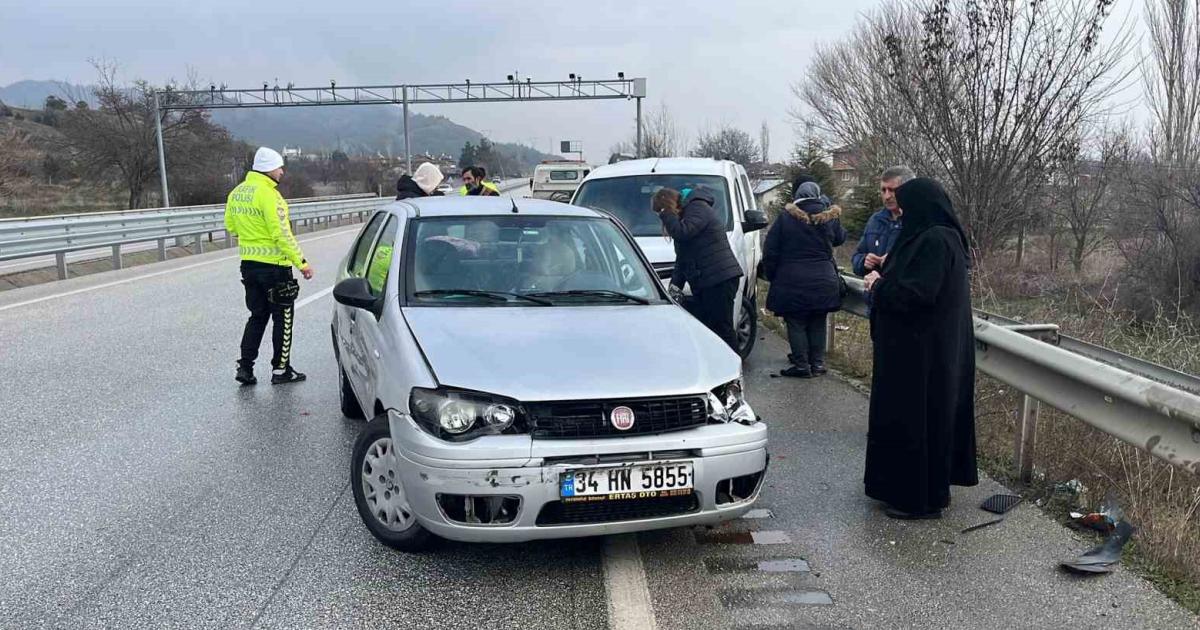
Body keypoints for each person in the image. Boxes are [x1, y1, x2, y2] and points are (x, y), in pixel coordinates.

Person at [862, 177, 977, 520]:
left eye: (906, 206)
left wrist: (878, 286)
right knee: (919, 422)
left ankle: (919, 500)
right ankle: (907, 491)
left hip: (922, 357)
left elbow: (917, 294)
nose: (902, 212)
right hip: (921, 351)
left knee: (917, 423)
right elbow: (916, 279)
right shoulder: (938, 236)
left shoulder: (935, 239)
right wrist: (886, 269)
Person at [225, 147, 313, 386]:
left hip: (249, 266)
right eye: (278, 167)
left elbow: (231, 227)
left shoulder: (236, 193)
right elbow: (282, 234)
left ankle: (245, 367)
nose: (282, 171)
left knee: (257, 316)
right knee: (283, 318)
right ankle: (280, 370)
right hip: (275, 268)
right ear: (268, 169)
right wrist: (301, 263)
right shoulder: (270, 196)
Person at [762, 181, 847, 378]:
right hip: (824, 279)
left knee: (796, 321)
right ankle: (817, 364)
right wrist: (829, 208)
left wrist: (772, 275)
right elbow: (840, 238)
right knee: (818, 320)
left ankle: (801, 365)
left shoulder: (785, 219)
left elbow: (770, 250)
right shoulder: (829, 217)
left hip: (792, 279)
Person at [652, 186, 743, 351]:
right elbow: (684, 257)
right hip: (709, 279)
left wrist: (666, 214)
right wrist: (675, 286)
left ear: (668, 206)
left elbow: (683, 233)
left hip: (718, 279)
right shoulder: (689, 214)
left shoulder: (697, 207)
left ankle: (733, 367)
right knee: (711, 328)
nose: (661, 218)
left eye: (660, 212)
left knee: (722, 329)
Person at [851, 166, 913, 278]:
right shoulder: (875, 220)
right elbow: (856, 257)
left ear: (908, 190)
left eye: (892, 190)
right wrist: (864, 261)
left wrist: (894, 262)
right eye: (883, 190)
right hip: (874, 293)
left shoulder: (917, 222)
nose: (887, 196)